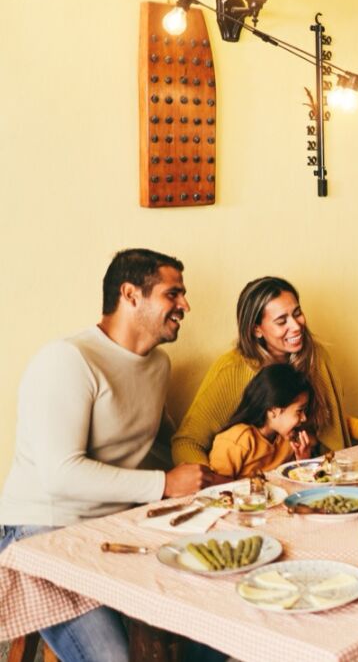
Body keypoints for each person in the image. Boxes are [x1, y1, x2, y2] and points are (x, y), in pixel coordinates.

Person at [0, 248, 223, 662]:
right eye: (173, 294)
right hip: (43, 531)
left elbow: (157, 443)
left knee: (217, 622)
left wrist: (213, 476)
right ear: (130, 294)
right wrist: (164, 484)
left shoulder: (158, 365)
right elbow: (60, 475)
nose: (185, 306)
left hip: (117, 527)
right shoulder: (67, 360)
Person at [171, 276, 349, 466]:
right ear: (256, 330)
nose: (296, 326)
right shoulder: (232, 370)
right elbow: (187, 443)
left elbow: (332, 438)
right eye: (282, 321)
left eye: (297, 313)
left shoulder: (317, 357)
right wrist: (213, 484)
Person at [208, 364, 315, 478]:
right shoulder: (237, 440)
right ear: (273, 410)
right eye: (299, 411)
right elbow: (213, 487)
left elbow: (293, 481)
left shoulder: (288, 441)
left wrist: (303, 461)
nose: (304, 418)